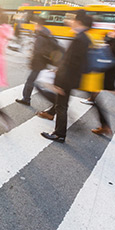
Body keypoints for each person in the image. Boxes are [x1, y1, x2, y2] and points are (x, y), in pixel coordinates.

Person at [39, 10, 93, 142]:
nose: (72, 22)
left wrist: (58, 82)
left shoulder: (79, 39)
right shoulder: (84, 38)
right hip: (70, 78)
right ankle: (54, 122)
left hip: (66, 80)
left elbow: (71, 64)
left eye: (73, 20)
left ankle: (59, 134)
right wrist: (58, 70)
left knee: (61, 106)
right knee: (61, 105)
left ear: (78, 22)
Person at [81, 25, 115, 113]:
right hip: (107, 65)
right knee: (99, 84)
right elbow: (105, 41)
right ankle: (91, 99)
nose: (113, 32)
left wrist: (111, 38)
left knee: (111, 88)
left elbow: (113, 54)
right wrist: (109, 37)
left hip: (112, 68)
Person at [16, 16, 54, 106]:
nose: (33, 25)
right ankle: (27, 98)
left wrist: (31, 62)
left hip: (38, 63)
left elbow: (37, 52)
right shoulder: (47, 33)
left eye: (34, 24)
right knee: (36, 81)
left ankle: (26, 99)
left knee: (30, 82)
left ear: (37, 24)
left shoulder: (41, 36)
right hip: (44, 62)